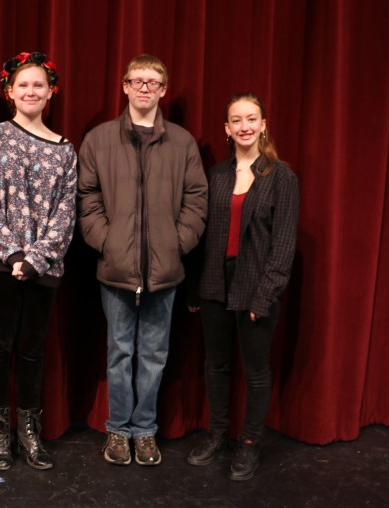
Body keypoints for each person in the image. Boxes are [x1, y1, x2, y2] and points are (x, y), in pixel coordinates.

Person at [77, 55, 208, 466]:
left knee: (154, 355)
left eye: (153, 82)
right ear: (125, 86)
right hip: (116, 271)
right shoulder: (99, 139)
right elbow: (87, 199)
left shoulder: (182, 143)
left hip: (165, 272)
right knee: (118, 353)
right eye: (137, 81)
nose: (145, 88)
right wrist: (110, 243)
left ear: (163, 89)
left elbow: (196, 201)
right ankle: (118, 430)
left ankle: (145, 431)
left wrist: (174, 244)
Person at [0, 52, 77, 471]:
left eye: (39, 85)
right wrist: (12, 252)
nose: (31, 91)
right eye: (23, 85)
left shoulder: (65, 149)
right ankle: (0, 430)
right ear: (9, 91)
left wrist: (35, 258)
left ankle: (29, 430)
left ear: (51, 91)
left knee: (33, 350)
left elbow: (65, 213)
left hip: (44, 267)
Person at [186, 93, 299, 481]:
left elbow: (283, 244)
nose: (245, 126)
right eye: (237, 120)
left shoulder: (281, 176)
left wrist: (265, 295)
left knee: (255, 370)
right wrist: (196, 290)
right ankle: (219, 435)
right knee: (215, 365)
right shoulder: (216, 175)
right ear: (227, 129)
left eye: (252, 119)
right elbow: (203, 236)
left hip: (256, 285)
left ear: (264, 124)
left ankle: (249, 444)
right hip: (216, 282)